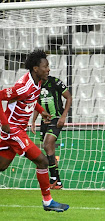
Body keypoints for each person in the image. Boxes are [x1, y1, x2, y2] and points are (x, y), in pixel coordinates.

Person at [0, 50, 69, 212]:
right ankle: (48, 201)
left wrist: (41, 110)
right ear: (35, 68)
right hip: (13, 131)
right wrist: (4, 123)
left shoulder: (38, 82)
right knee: (43, 161)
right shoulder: (23, 87)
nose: (49, 69)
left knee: (2, 166)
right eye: (46, 66)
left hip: (16, 130)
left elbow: (31, 100)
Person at [31, 74, 72, 189]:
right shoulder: (36, 85)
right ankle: (57, 182)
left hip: (56, 119)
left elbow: (69, 97)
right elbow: (37, 104)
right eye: (45, 67)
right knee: (49, 149)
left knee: (47, 144)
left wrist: (63, 116)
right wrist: (34, 121)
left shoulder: (55, 82)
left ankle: (53, 178)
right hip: (45, 121)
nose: (47, 70)